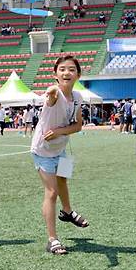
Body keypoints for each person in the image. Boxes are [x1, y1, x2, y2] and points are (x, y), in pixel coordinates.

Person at [31, 55, 88, 255]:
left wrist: (59, 132)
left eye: (72, 69)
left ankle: (67, 212)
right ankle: (52, 239)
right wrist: (51, 91)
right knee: (51, 192)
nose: (67, 72)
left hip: (61, 148)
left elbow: (78, 126)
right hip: (43, 151)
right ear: (55, 74)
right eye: (62, 69)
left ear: (78, 75)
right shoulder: (54, 94)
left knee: (63, 180)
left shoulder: (78, 97)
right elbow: (52, 94)